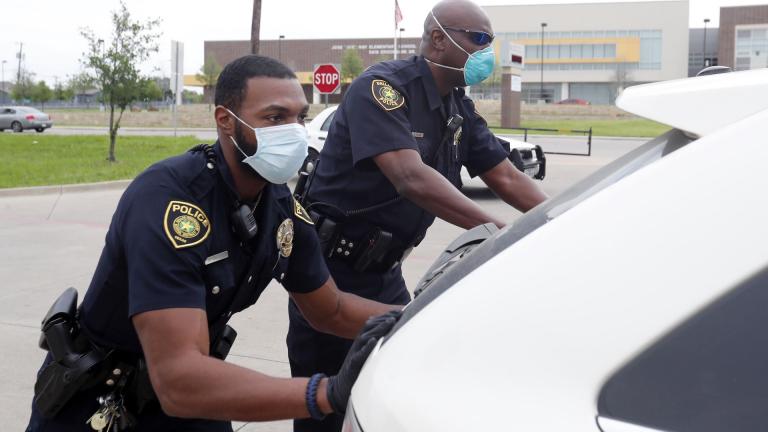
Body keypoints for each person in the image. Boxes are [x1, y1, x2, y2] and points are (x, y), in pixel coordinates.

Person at [26, 55, 401, 432]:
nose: (294, 132)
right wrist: (326, 393)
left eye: (299, 117)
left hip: (194, 389)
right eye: (274, 118)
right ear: (225, 121)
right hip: (101, 399)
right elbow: (177, 378)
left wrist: (412, 320)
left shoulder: (280, 207)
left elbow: (329, 309)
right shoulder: (169, 201)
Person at [289, 1, 549, 430]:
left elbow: (504, 175)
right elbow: (410, 177)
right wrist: (499, 233)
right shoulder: (383, 89)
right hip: (331, 270)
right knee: (328, 405)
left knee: (389, 389)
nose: (488, 52)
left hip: (386, 273)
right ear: (437, 39)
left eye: (490, 42)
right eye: (479, 39)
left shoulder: (458, 108)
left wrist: (556, 221)